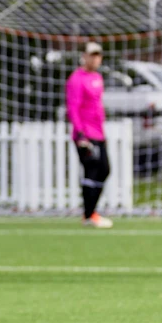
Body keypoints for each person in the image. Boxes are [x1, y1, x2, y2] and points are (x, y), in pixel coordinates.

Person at [65, 41, 114, 229]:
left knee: (104, 170)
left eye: (98, 55)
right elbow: (73, 108)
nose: (95, 59)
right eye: (92, 55)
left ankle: (91, 212)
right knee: (92, 170)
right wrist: (80, 134)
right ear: (84, 56)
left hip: (98, 132)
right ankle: (89, 214)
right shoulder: (76, 79)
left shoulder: (98, 78)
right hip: (84, 134)